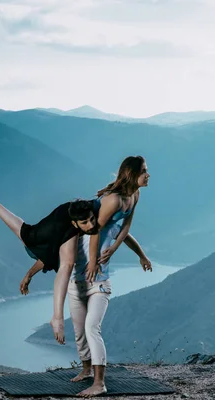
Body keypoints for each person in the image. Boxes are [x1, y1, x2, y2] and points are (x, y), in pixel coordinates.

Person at [53, 155, 152, 397]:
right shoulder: (113, 200)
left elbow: (125, 228)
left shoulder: (133, 196)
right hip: (81, 266)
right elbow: (94, 230)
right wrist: (92, 262)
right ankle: (86, 370)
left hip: (99, 278)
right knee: (79, 330)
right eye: (144, 171)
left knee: (91, 327)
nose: (148, 175)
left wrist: (140, 254)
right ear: (131, 174)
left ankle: (100, 383)